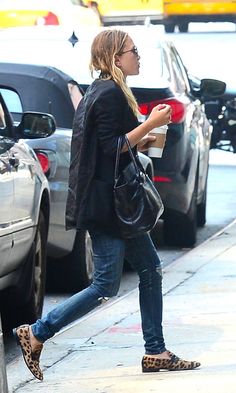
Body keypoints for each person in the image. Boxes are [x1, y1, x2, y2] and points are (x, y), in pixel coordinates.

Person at [13, 29, 200, 381]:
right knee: (104, 285)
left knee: (150, 268)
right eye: (134, 51)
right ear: (116, 57)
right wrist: (151, 123)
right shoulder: (108, 93)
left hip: (115, 203)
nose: (138, 56)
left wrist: (150, 135)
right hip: (109, 206)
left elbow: (119, 149)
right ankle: (38, 331)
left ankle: (156, 351)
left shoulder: (107, 91)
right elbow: (111, 148)